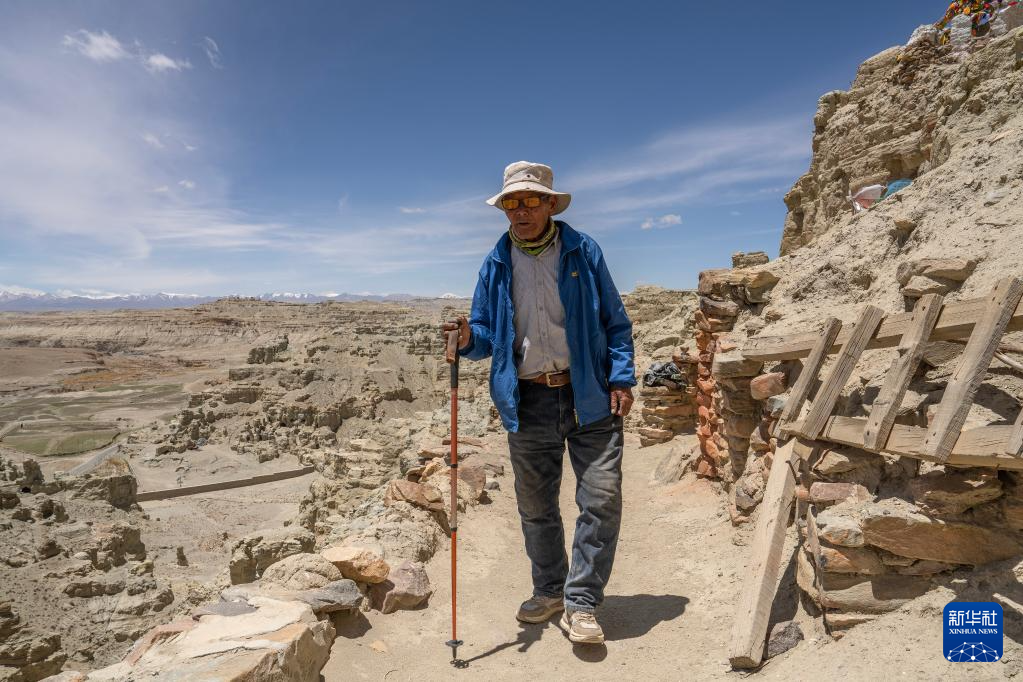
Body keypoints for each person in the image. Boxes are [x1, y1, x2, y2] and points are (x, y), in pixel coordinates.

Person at [443, 161, 635, 645]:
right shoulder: (496, 262)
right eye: (512, 202)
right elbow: (485, 334)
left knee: (601, 500)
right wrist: (467, 338)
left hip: (589, 395)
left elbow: (615, 322)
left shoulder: (583, 250)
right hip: (527, 399)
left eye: (531, 200)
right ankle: (550, 590)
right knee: (535, 507)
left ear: (551, 204)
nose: (521, 211)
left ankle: (582, 602)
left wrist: (621, 378)